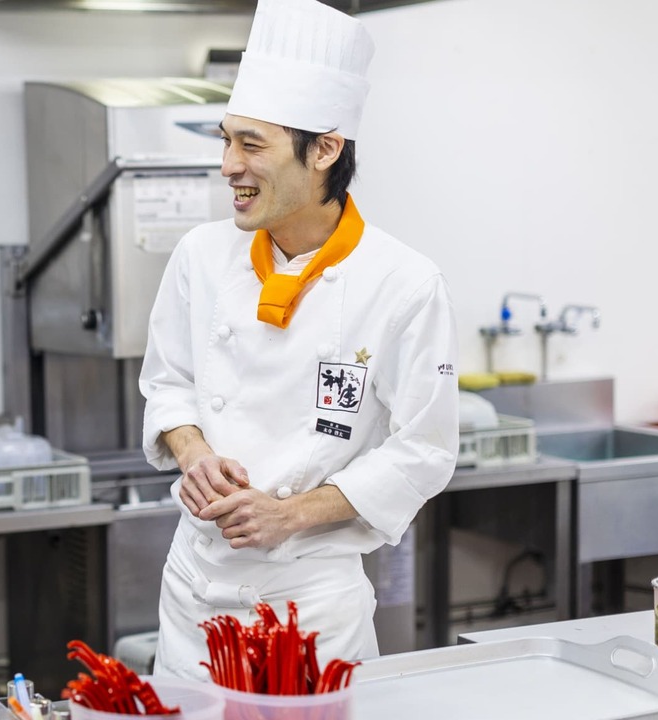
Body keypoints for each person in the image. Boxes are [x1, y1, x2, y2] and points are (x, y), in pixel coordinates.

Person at [140, 0, 459, 679]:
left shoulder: (403, 283)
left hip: (309, 609)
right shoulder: (201, 255)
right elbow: (168, 384)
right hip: (193, 594)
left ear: (325, 149)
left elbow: (425, 449)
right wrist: (194, 454)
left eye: (252, 145)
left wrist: (289, 515)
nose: (228, 165)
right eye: (226, 140)